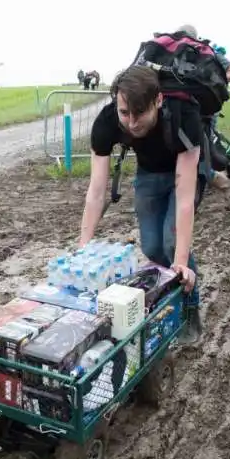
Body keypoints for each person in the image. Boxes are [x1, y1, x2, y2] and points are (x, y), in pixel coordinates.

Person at [79, 65, 203, 345]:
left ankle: (190, 306)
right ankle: (163, 302)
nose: (132, 123)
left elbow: (184, 198)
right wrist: (83, 248)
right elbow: (96, 191)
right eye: (125, 113)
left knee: (172, 245)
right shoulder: (107, 122)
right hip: (148, 173)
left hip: (186, 171)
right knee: (151, 247)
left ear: (158, 101)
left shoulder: (186, 117)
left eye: (140, 113)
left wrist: (181, 262)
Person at [177, 24, 230, 190]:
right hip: (183, 107)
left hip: (205, 110)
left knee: (206, 147)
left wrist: (210, 82)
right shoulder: (176, 53)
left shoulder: (210, 52)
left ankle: (220, 174)